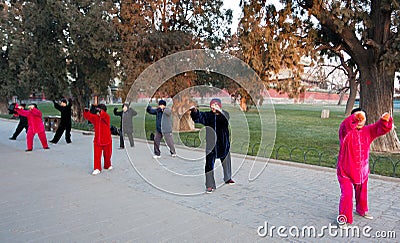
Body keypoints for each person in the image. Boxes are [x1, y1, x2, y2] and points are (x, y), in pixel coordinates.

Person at [337, 108, 392, 228]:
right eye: (358, 117)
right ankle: (343, 218)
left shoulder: (368, 131)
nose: (361, 120)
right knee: (347, 194)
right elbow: (344, 127)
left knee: (362, 192)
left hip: (362, 170)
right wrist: (354, 118)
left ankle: (362, 210)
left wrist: (384, 120)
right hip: (345, 171)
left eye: (363, 117)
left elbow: (379, 128)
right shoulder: (346, 133)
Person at [190, 98, 235, 194]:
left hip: (223, 144)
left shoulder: (225, 114)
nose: (213, 107)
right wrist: (194, 111)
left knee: (226, 162)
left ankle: (228, 178)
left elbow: (225, 120)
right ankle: (210, 185)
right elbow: (199, 117)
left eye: (215, 105)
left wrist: (219, 111)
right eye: (212, 105)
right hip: (212, 146)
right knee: (209, 165)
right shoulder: (208, 115)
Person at [83, 104, 113, 175]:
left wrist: (100, 111)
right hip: (98, 141)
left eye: (99, 111)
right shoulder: (95, 118)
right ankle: (97, 168)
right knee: (97, 155)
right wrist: (86, 111)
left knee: (107, 155)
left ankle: (107, 165)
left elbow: (104, 115)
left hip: (107, 140)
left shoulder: (107, 117)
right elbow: (88, 116)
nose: (97, 112)